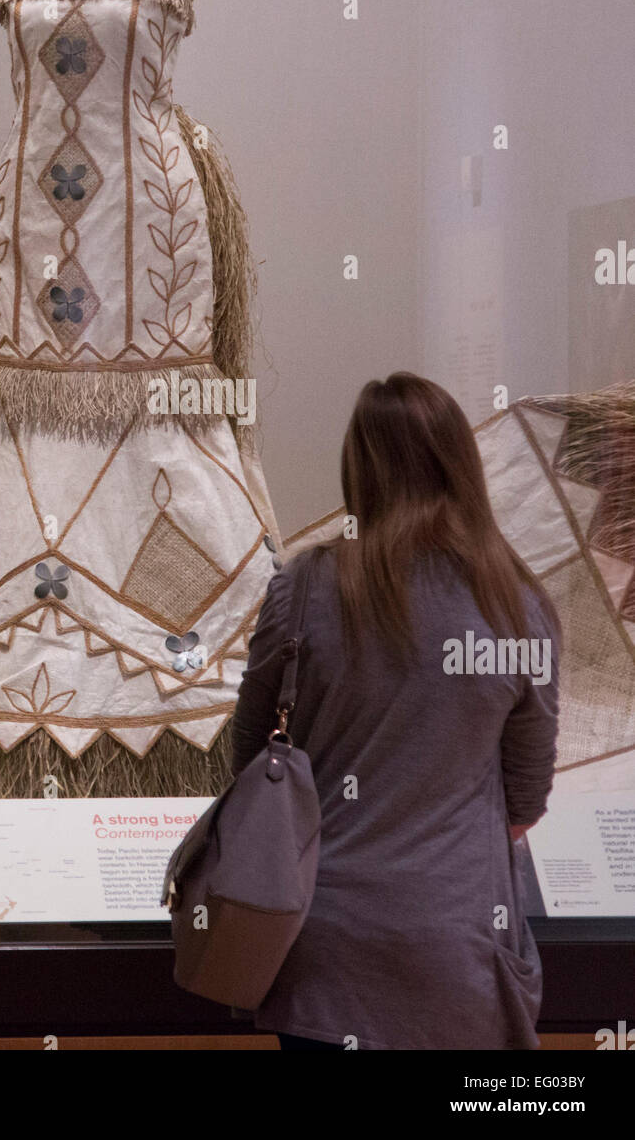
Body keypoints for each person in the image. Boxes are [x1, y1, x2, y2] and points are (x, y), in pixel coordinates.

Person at [231, 372, 561, 1051]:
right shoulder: (520, 610)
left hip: (323, 952)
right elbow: (523, 805)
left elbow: (249, 768)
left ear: (360, 470)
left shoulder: (302, 589)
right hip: (456, 954)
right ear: (462, 467)